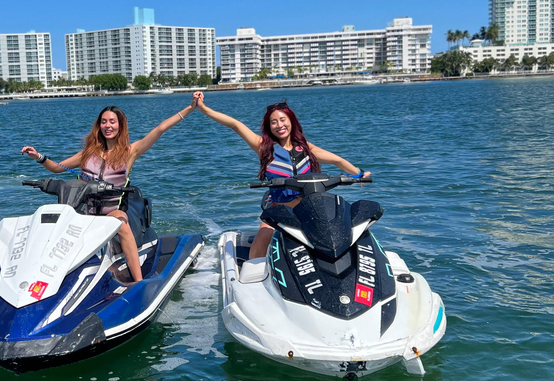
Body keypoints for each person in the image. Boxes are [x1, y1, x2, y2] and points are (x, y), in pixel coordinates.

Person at [21, 101, 196, 283]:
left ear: (120, 125)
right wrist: (39, 157)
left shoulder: (129, 152)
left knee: (121, 222)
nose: (108, 126)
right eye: (104, 122)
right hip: (83, 212)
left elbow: (160, 129)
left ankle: (138, 282)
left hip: (110, 212)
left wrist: (190, 108)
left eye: (112, 121)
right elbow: (57, 168)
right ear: (99, 126)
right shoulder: (88, 153)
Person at [192, 91, 371, 260]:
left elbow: (337, 161)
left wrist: (359, 174)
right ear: (269, 127)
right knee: (263, 238)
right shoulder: (264, 148)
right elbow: (235, 125)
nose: (280, 125)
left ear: (291, 121)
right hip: (279, 207)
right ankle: (253, 273)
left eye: (283, 120)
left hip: (308, 208)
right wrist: (203, 108)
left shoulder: (306, 149)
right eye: (274, 122)